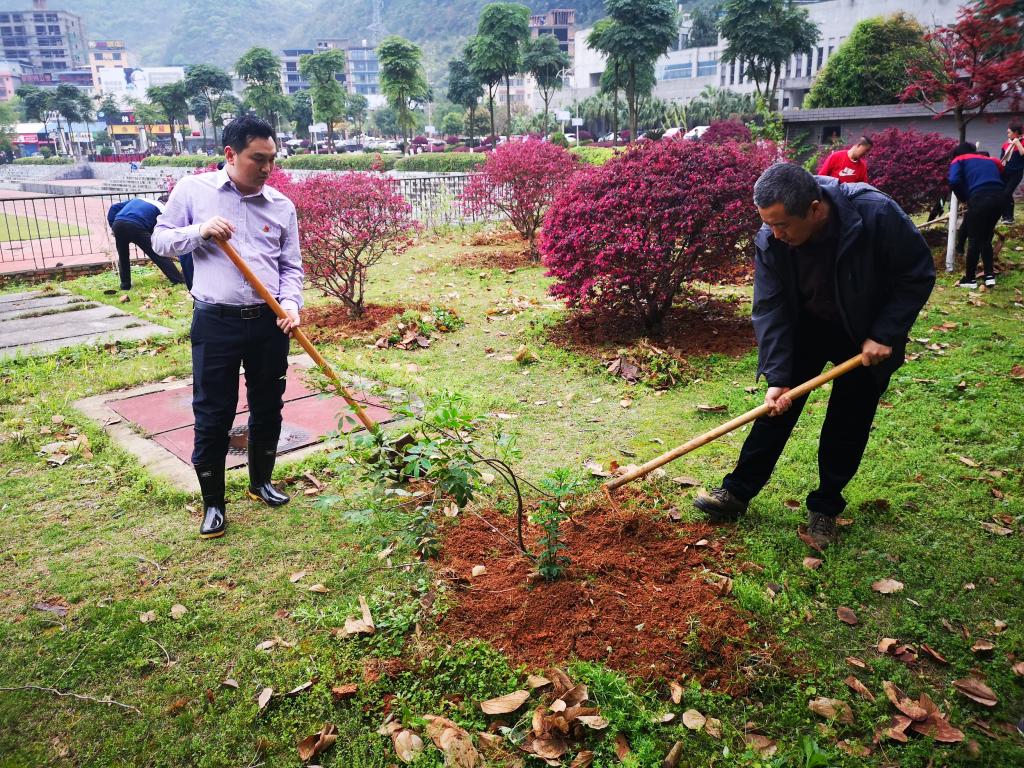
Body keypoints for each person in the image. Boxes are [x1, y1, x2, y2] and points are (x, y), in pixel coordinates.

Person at [693, 163, 935, 549]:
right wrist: (777, 376)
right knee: (776, 409)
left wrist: (885, 332)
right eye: (768, 224)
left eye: (783, 225)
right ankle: (736, 492)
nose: (775, 234)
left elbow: (917, 273)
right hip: (805, 327)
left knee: (848, 420)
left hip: (863, 335)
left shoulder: (876, 214)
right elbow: (770, 306)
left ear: (815, 208)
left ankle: (825, 507)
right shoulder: (771, 238)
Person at [153, 116, 303, 540]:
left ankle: (261, 483)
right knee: (214, 412)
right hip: (215, 321)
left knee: (268, 404)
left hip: (269, 322)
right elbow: (161, 241)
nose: (267, 168)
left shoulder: (280, 205)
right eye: (258, 158)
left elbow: (291, 266)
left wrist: (290, 304)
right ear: (231, 154)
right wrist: (201, 231)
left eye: (272, 159)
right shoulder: (193, 191)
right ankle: (214, 503)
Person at [949, 141, 1005, 288]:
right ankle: (989, 276)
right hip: (999, 199)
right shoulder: (991, 159)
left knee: (973, 239)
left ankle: (970, 280)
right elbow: (1001, 171)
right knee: (985, 238)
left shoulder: (958, 160)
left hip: (979, 198)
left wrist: (965, 197)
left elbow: (954, 181)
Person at [107, 194, 192, 290]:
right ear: (166, 203)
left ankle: (125, 285)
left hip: (118, 223)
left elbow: (114, 207)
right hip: (136, 225)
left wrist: (112, 225)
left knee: (123, 257)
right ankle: (178, 280)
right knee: (157, 254)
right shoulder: (162, 209)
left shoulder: (140, 199)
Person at [1000, 123, 1023, 223]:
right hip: (1005, 172)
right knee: (1005, 194)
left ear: (1016, 133)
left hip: (1016, 173)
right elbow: (1002, 159)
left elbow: (1022, 153)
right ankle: (1006, 216)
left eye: (1009, 133)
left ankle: (1009, 217)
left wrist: (1017, 142)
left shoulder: (1021, 142)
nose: (1008, 135)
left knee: (1007, 193)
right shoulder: (1006, 144)